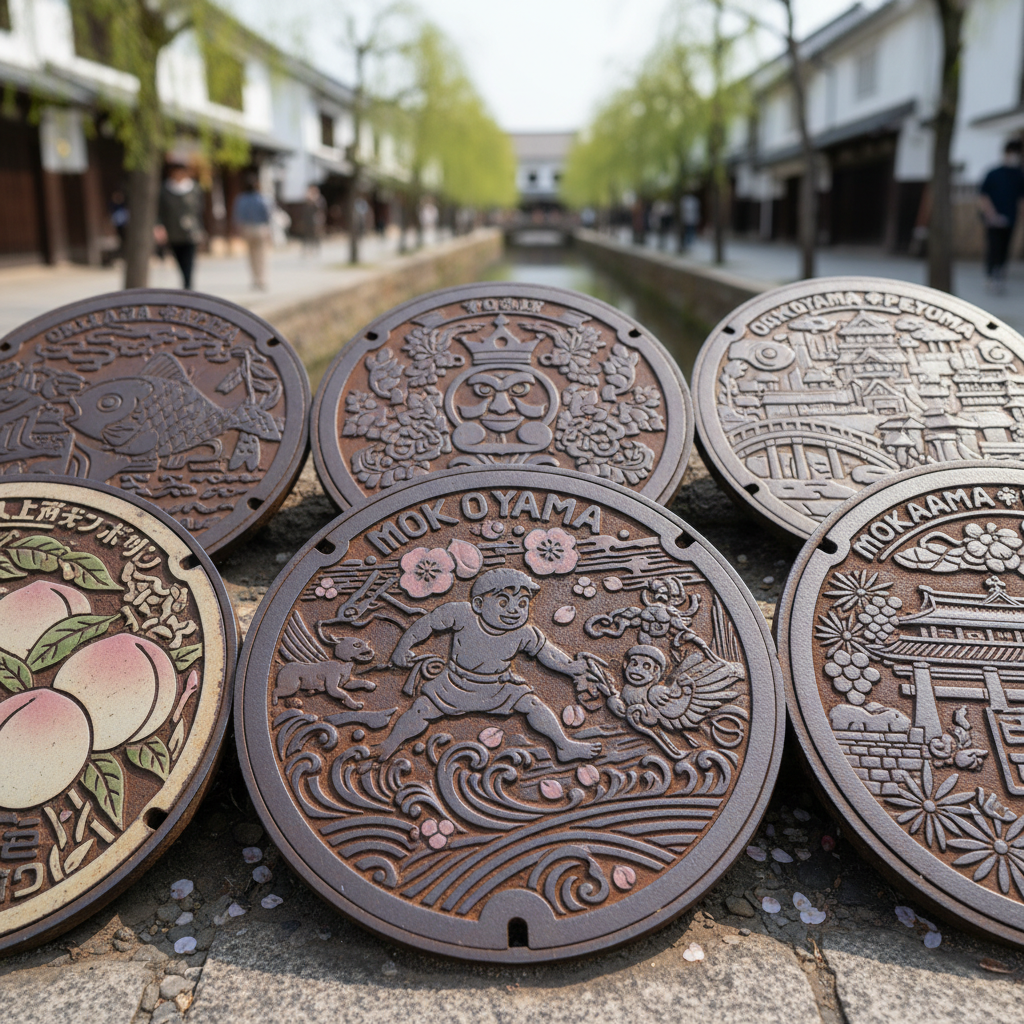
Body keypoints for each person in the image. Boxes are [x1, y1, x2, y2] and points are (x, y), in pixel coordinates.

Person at [378, 567, 601, 763]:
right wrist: (401, 648)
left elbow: (549, 655)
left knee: (533, 705)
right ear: (478, 604)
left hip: (499, 687)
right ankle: (389, 744)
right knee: (420, 709)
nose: (514, 610)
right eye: (503, 602)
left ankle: (564, 746)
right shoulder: (461, 614)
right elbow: (426, 625)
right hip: (454, 684)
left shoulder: (524, 633)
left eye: (522, 603)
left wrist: (570, 668)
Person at [979, 140, 1024, 292]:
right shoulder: (994, 173)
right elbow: (984, 195)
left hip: (1010, 218)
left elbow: (1021, 199)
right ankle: (991, 275)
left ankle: (1000, 274)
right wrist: (991, 214)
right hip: (993, 219)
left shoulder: (1019, 175)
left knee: (1005, 247)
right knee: (993, 247)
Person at [155, 161, 204, 289]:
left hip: (190, 231)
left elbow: (199, 210)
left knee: (189, 259)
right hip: (173, 231)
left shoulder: (194, 188)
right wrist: (159, 227)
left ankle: (188, 284)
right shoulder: (165, 190)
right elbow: (160, 211)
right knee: (178, 258)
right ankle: (185, 281)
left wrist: (201, 229)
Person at [232, 173, 272, 291]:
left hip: (247, 229)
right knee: (261, 255)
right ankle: (261, 279)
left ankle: (254, 279)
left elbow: (237, 216)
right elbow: (267, 215)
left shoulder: (241, 199)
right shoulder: (262, 198)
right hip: (260, 228)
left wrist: (239, 230)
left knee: (251, 255)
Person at [301, 184, 326, 255]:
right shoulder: (308, 199)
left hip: (317, 221)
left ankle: (316, 250)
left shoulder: (320, 199)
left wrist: (314, 201)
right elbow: (304, 210)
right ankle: (306, 250)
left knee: (316, 236)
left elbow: (321, 209)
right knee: (307, 236)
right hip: (308, 221)